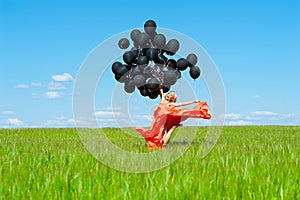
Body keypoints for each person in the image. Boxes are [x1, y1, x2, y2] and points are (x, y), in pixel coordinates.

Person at [136, 89, 211, 149]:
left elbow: (182, 104)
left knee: (164, 131)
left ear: (172, 99)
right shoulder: (162, 100)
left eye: (171, 95)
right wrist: (160, 78)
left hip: (163, 118)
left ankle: (164, 144)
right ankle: (163, 142)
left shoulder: (170, 104)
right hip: (158, 119)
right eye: (168, 94)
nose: (168, 95)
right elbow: (161, 89)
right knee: (160, 132)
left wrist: (193, 101)